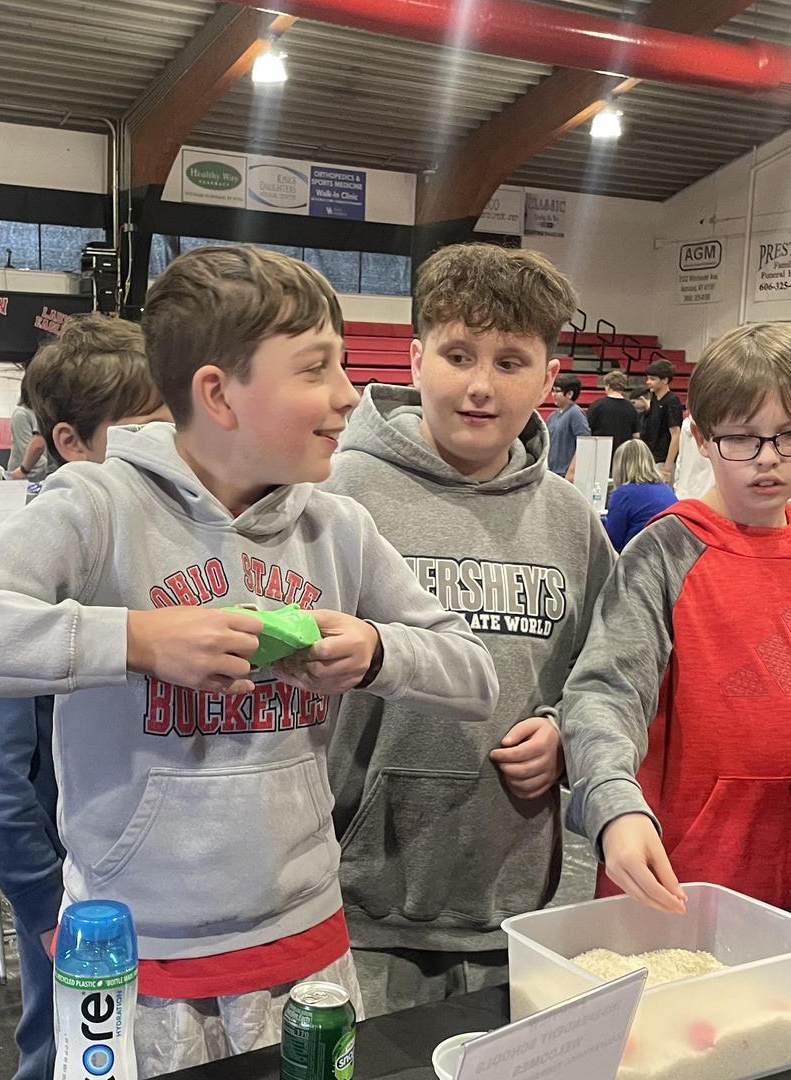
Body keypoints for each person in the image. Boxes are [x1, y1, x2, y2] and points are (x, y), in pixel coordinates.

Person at [0, 245, 498, 1074]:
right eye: (317, 369)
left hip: (304, 942)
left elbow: (474, 675)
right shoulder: (97, 504)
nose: (349, 397)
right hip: (138, 952)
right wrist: (133, 639)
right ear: (218, 394)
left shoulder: (338, 529)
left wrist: (377, 652)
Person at [322, 243, 614, 1019]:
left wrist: (561, 730)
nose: (481, 385)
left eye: (512, 362)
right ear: (416, 361)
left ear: (550, 381)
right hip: (354, 903)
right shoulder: (339, 495)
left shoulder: (571, 520)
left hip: (509, 898)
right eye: (458, 355)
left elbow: (604, 673)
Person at [559, 322, 791, 913]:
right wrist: (613, 800)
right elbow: (604, 694)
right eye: (742, 439)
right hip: (679, 870)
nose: (768, 460)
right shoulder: (664, 553)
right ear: (701, 438)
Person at [0, 314, 169, 1080]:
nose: (173, 448)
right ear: (73, 443)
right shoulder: (41, 560)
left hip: (150, 888)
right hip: (79, 909)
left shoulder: (156, 533)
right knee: (63, 1054)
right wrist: (53, 912)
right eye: (146, 429)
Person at [604, 437, 679, 548]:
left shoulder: (623, 495)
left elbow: (612, 543)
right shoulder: (667, 490)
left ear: (620, 467)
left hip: (638, 559)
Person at [641, 358, 685, 480]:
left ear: (665, 380)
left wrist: (667, 468)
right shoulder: (654, 398)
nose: (648, 382)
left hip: (663, 460)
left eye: (653, 379)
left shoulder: (671, 401)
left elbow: (676, 435)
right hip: (651, 457)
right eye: (648, 378)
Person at [585, 369, 642, 455]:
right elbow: (636, 435)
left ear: (608, 386)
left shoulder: (597, 405)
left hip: (600, 453)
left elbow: (587, 431)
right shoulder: (631, 408)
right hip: (623, 454)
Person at [544, 372, 589, 481]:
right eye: (553, 391)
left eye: (557, 391)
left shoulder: (575, 413)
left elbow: (584, 443)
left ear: (569, 394)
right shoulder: (552, 416)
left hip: (565, 475)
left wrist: (572, 471)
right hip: (551, 472)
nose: (553, 394)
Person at [6, 397, 52, 483]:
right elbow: (36, 447)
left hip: (40, 477)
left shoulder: (44, 413)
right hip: (23, 479)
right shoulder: (21, 414)